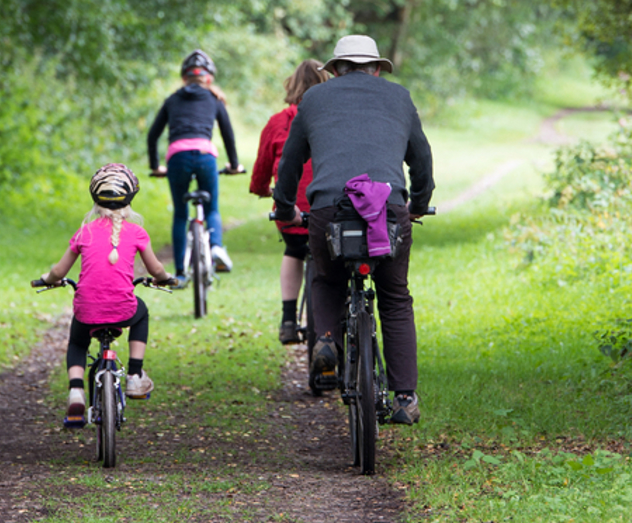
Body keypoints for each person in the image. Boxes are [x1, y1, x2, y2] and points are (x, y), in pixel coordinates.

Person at [273, 35, 434, 425]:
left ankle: (326, 340)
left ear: (336, 70)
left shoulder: (312, 100)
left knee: (326, 281)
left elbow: (291, 163)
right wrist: (416, 204)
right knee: (395, 297)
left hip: (329, 208)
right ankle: (404, 397)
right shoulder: (399, 97)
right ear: (377, 68)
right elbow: (421, 158)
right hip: (389, 209)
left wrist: (284, 208)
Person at [32, 163, 178, 427]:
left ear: (95, 200)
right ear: (129, 200)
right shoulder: (136, 232)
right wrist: (164, 278)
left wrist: (47, 280)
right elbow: (155, 268)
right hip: (124, 309)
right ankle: (134, 374)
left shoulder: (84, 232)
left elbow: (59, 270)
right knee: (141, 313)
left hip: (87, 309)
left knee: (78, 342)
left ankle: (76, 390)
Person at [147, 49, 244, 285]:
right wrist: (233, 164)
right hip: (205, 156)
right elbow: (228, 135)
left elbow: (152, 136)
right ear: (208, 78)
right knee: (211, 208)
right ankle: (216, 247)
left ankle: (180, 274)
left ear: (184, 78)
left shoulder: (172, 100)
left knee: (181, 214)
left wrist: (156, 166)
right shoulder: (214, 99)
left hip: (177, 157)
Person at [250, 59, 328, 344]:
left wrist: (261, 189)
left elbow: (262, 166)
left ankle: (287, 318)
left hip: (291, 208)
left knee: (294, 252)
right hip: (328, 208)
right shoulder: (332, 118)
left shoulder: (279, 121)